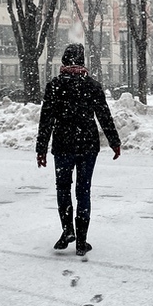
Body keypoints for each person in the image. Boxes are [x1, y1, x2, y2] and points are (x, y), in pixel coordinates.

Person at [36, 43, 121, 256]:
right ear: (82, 62)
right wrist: (114, 141)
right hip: (87, 145)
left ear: (64, 61)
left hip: (63, 145)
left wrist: (41, 148)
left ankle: (67, 231)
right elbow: (104, 115)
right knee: (83, 190)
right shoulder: (92, 85)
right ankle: (82, 241)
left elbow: (46, 119)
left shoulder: (55, 85)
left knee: (63, 188)